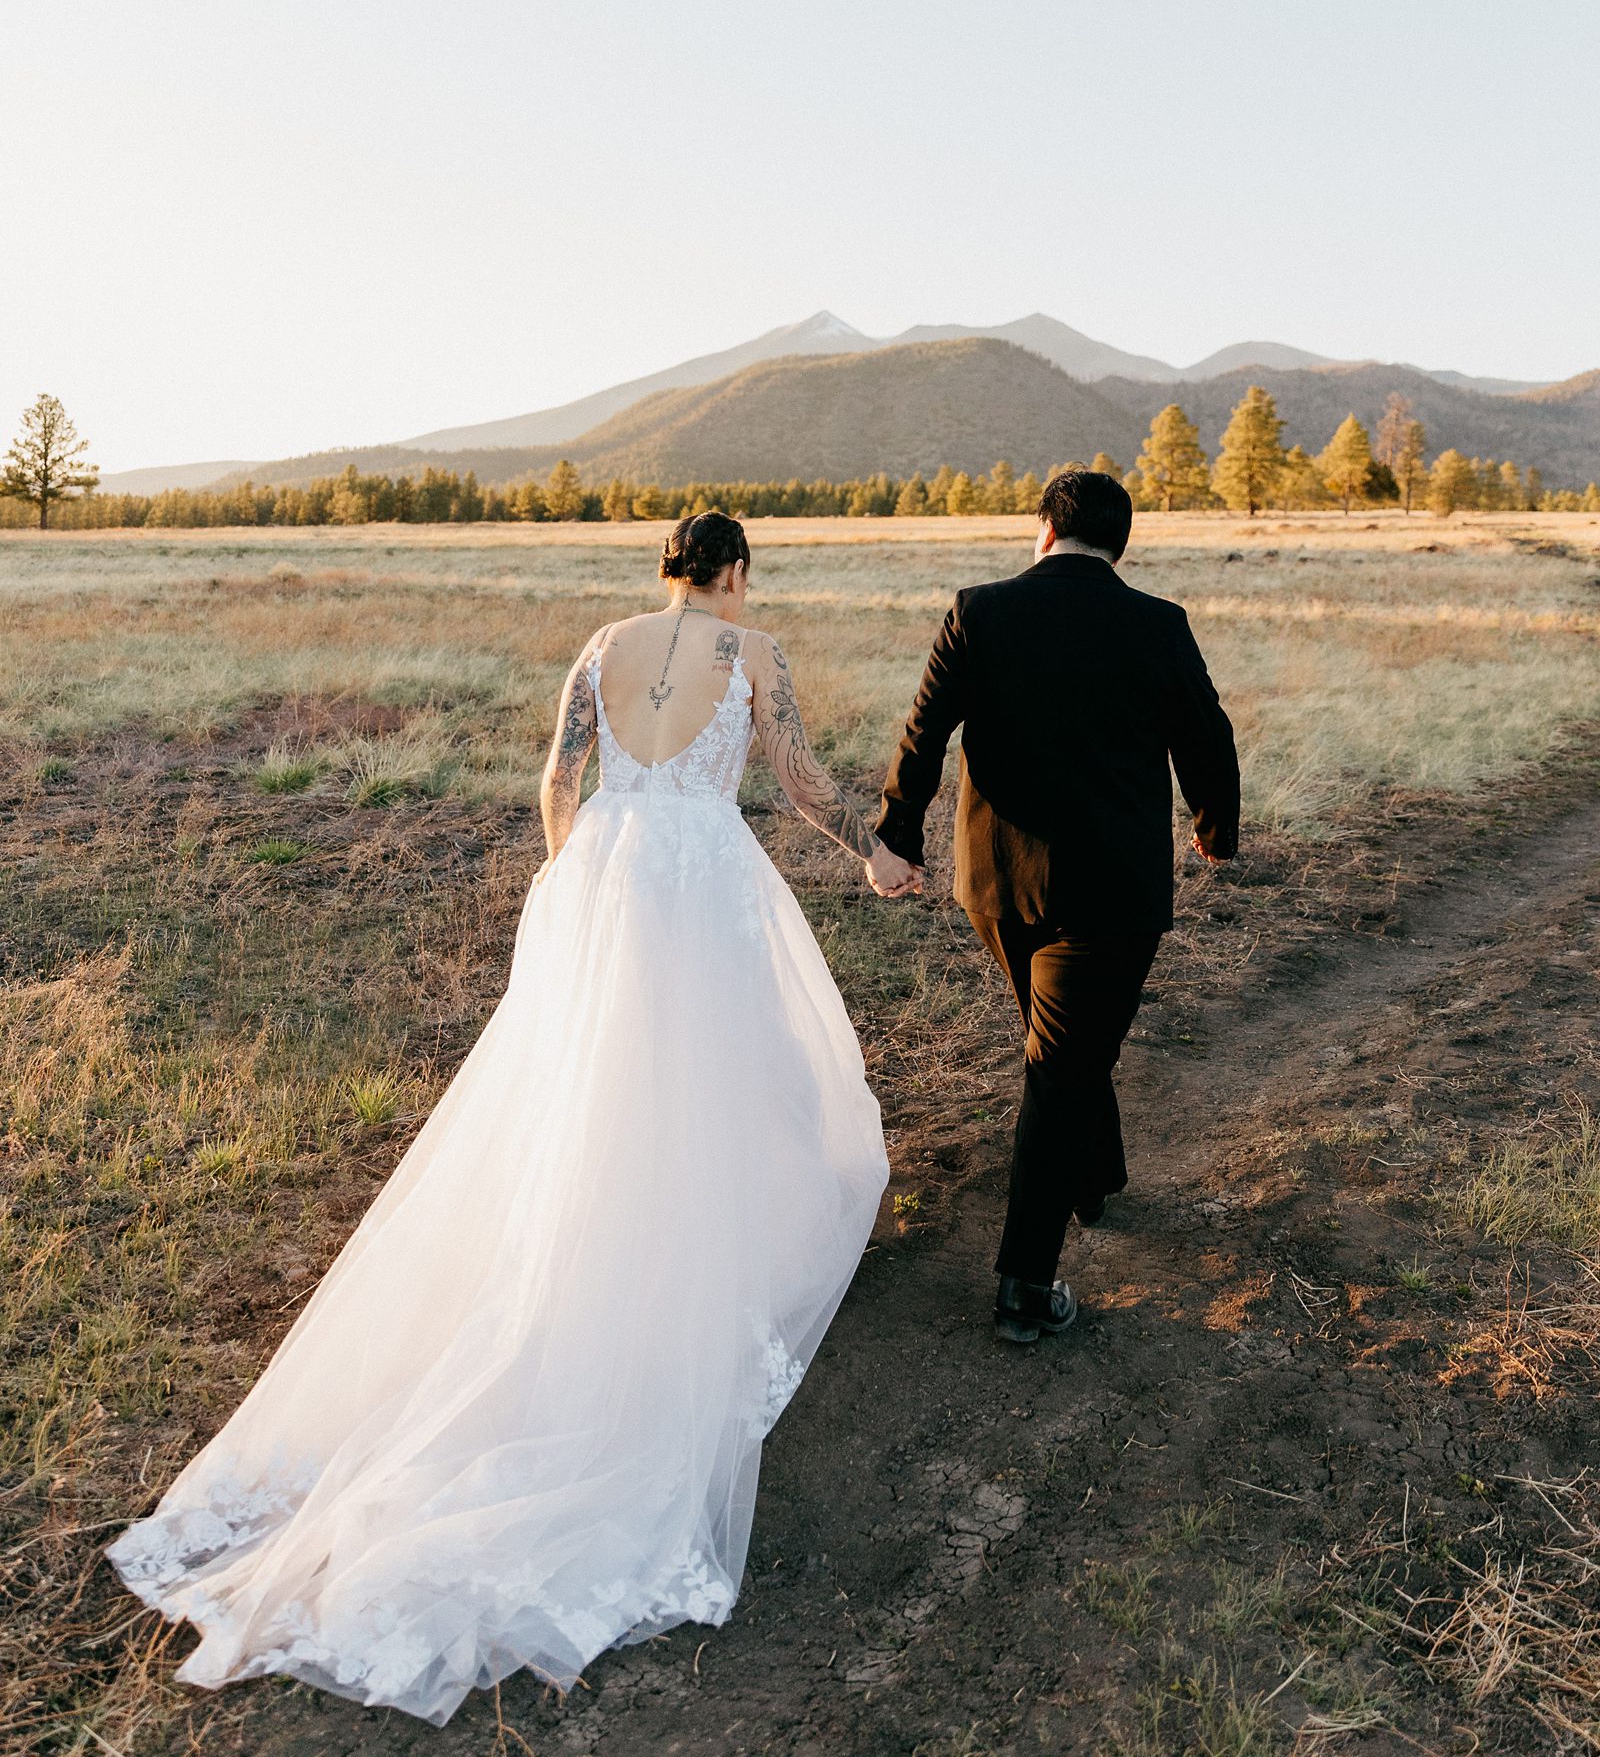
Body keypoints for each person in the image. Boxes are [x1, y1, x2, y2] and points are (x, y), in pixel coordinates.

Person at [108, 512, 917, 1723]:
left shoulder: (600, 645)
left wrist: (571, 886)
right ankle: (688, 1262)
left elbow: (557, 783)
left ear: (666, 572)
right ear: (735, 572)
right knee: (724, 1069)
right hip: (702, 883)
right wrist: (873, 850)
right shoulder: (754, 654)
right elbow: (798, 780)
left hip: (606, 876)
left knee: (595, 1080)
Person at [875, 467, 1239, 1345]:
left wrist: (897, 836)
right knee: (1063, 1063)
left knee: (1065, 1051)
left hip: (997, 887)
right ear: (1118, 545)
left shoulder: (980, 610)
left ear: (1044, 530)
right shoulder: (1158, 623)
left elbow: (925, 732)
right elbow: (1207, 734)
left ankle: (1093, 1178)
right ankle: (1025, 1288)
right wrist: (1215, 828)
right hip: (1112, 893)